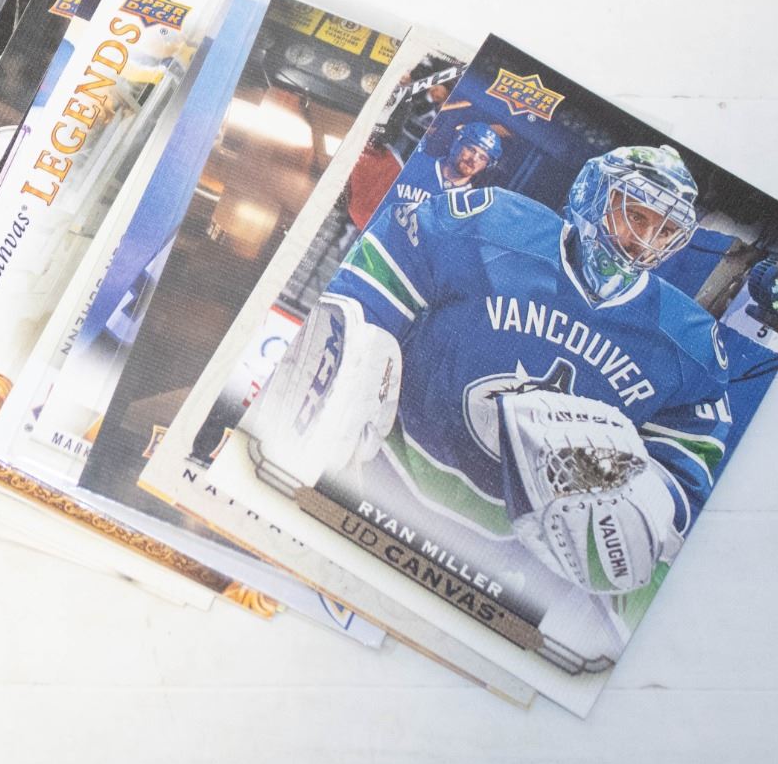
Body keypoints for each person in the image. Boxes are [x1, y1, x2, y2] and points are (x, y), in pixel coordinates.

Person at [285, 145, 728, 602]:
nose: (646, 241)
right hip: (374, 478)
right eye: (636, 215)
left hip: (500, 564)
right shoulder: (494, 224)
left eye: (666, 230)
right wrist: (357, 361)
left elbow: (686, 468)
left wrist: (648, 501)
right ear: (593, 192)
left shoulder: (687, 341)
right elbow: (379, 276)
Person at [386, 119, 502, 207]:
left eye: (482, 158)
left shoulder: (467, 204)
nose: (474, 159)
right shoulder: (417, 163)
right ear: (457, 144)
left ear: (487, 166)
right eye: (471, 150)